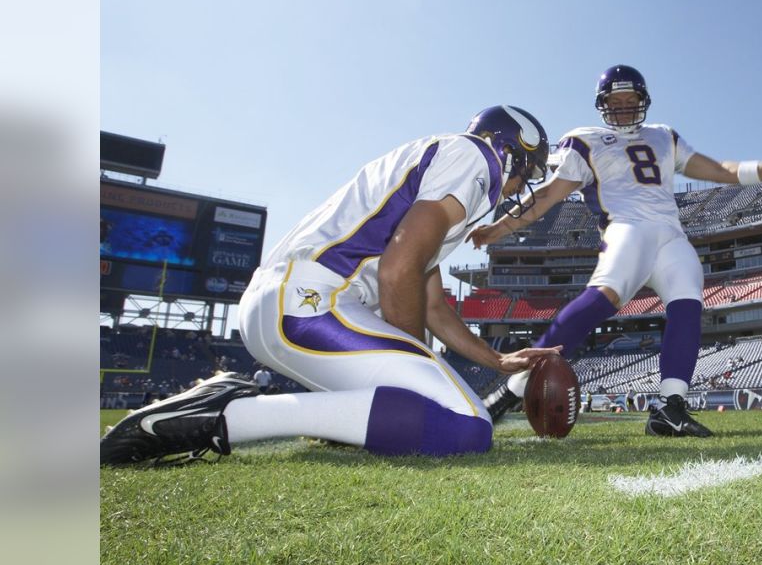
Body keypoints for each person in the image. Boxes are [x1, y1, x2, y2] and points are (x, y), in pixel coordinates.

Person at [101, 106, 562, 465]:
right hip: (310, 303)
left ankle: (335, 421)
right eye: (525, 170)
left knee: (433, 411)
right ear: (504, 149)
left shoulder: (438, 175)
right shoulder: (470, 156)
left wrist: (496, 359)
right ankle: (217, 415)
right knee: (465, 426)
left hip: (297, 304)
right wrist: (416, 368)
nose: (518, 188)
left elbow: (433, 304)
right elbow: (397, 271)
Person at [470, 65, 762, 437]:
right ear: (603, 104)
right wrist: (501, 227)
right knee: (602, 299)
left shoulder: (664, 136)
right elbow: (549, 194)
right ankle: (510, 390)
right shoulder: (585, 139)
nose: (624, 107)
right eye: (616, 100)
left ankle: (669, 407)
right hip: (626, 229)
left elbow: (716, 169)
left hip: (671, 236)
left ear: (643, 101)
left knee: (688, 302)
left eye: (631, 100)